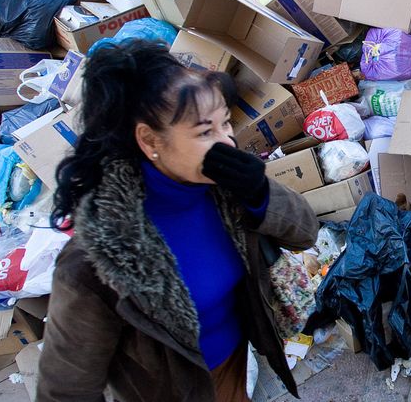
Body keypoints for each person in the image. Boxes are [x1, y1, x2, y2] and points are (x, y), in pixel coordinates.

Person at [37, 40, 317, 402]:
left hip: (237, 370)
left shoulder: (222, 190)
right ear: (150, 140)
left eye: (226, 123)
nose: (227, 142)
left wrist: (259, 194)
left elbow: (306, 232)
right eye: (205, 132)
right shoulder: (96, 263)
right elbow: (64, 391)